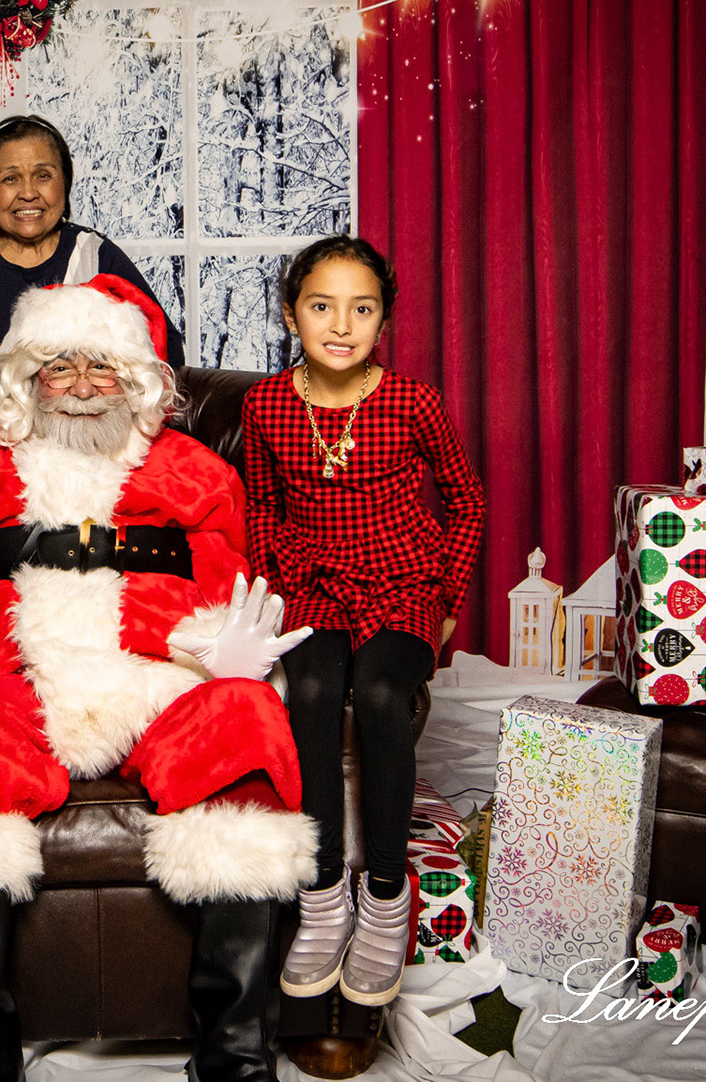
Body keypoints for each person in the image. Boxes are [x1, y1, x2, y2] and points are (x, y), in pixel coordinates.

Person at [0, 275, 312, 1082]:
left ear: (137, 381)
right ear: (27, 376)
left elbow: (226, 581)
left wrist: (221, 646)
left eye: (104, 369)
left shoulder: (194, 470)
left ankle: (234, 1056)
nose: (85, 388)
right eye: (61, 367)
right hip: (16, 683)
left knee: (245, 720)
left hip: (160, 679)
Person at [240, 235, 486, 1008]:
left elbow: (467, 500)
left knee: (380, 696)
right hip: (312, 582)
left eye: (362, 308)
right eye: (322, 306)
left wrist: (448, 599)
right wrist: (275, 590)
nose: (342, 325)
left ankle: (384, 895)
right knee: (312, 693)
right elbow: (260, 506)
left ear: (384, 318)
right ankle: (322, 896)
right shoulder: (266, 404)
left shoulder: (413, 400)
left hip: (403, 578)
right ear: (291, 315)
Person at [0, 114, 185, 381]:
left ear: (65, 184)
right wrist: (56, 350)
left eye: (43, 176)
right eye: (10, 179)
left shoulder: (93, 253)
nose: (28, 193)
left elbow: (167, 351)